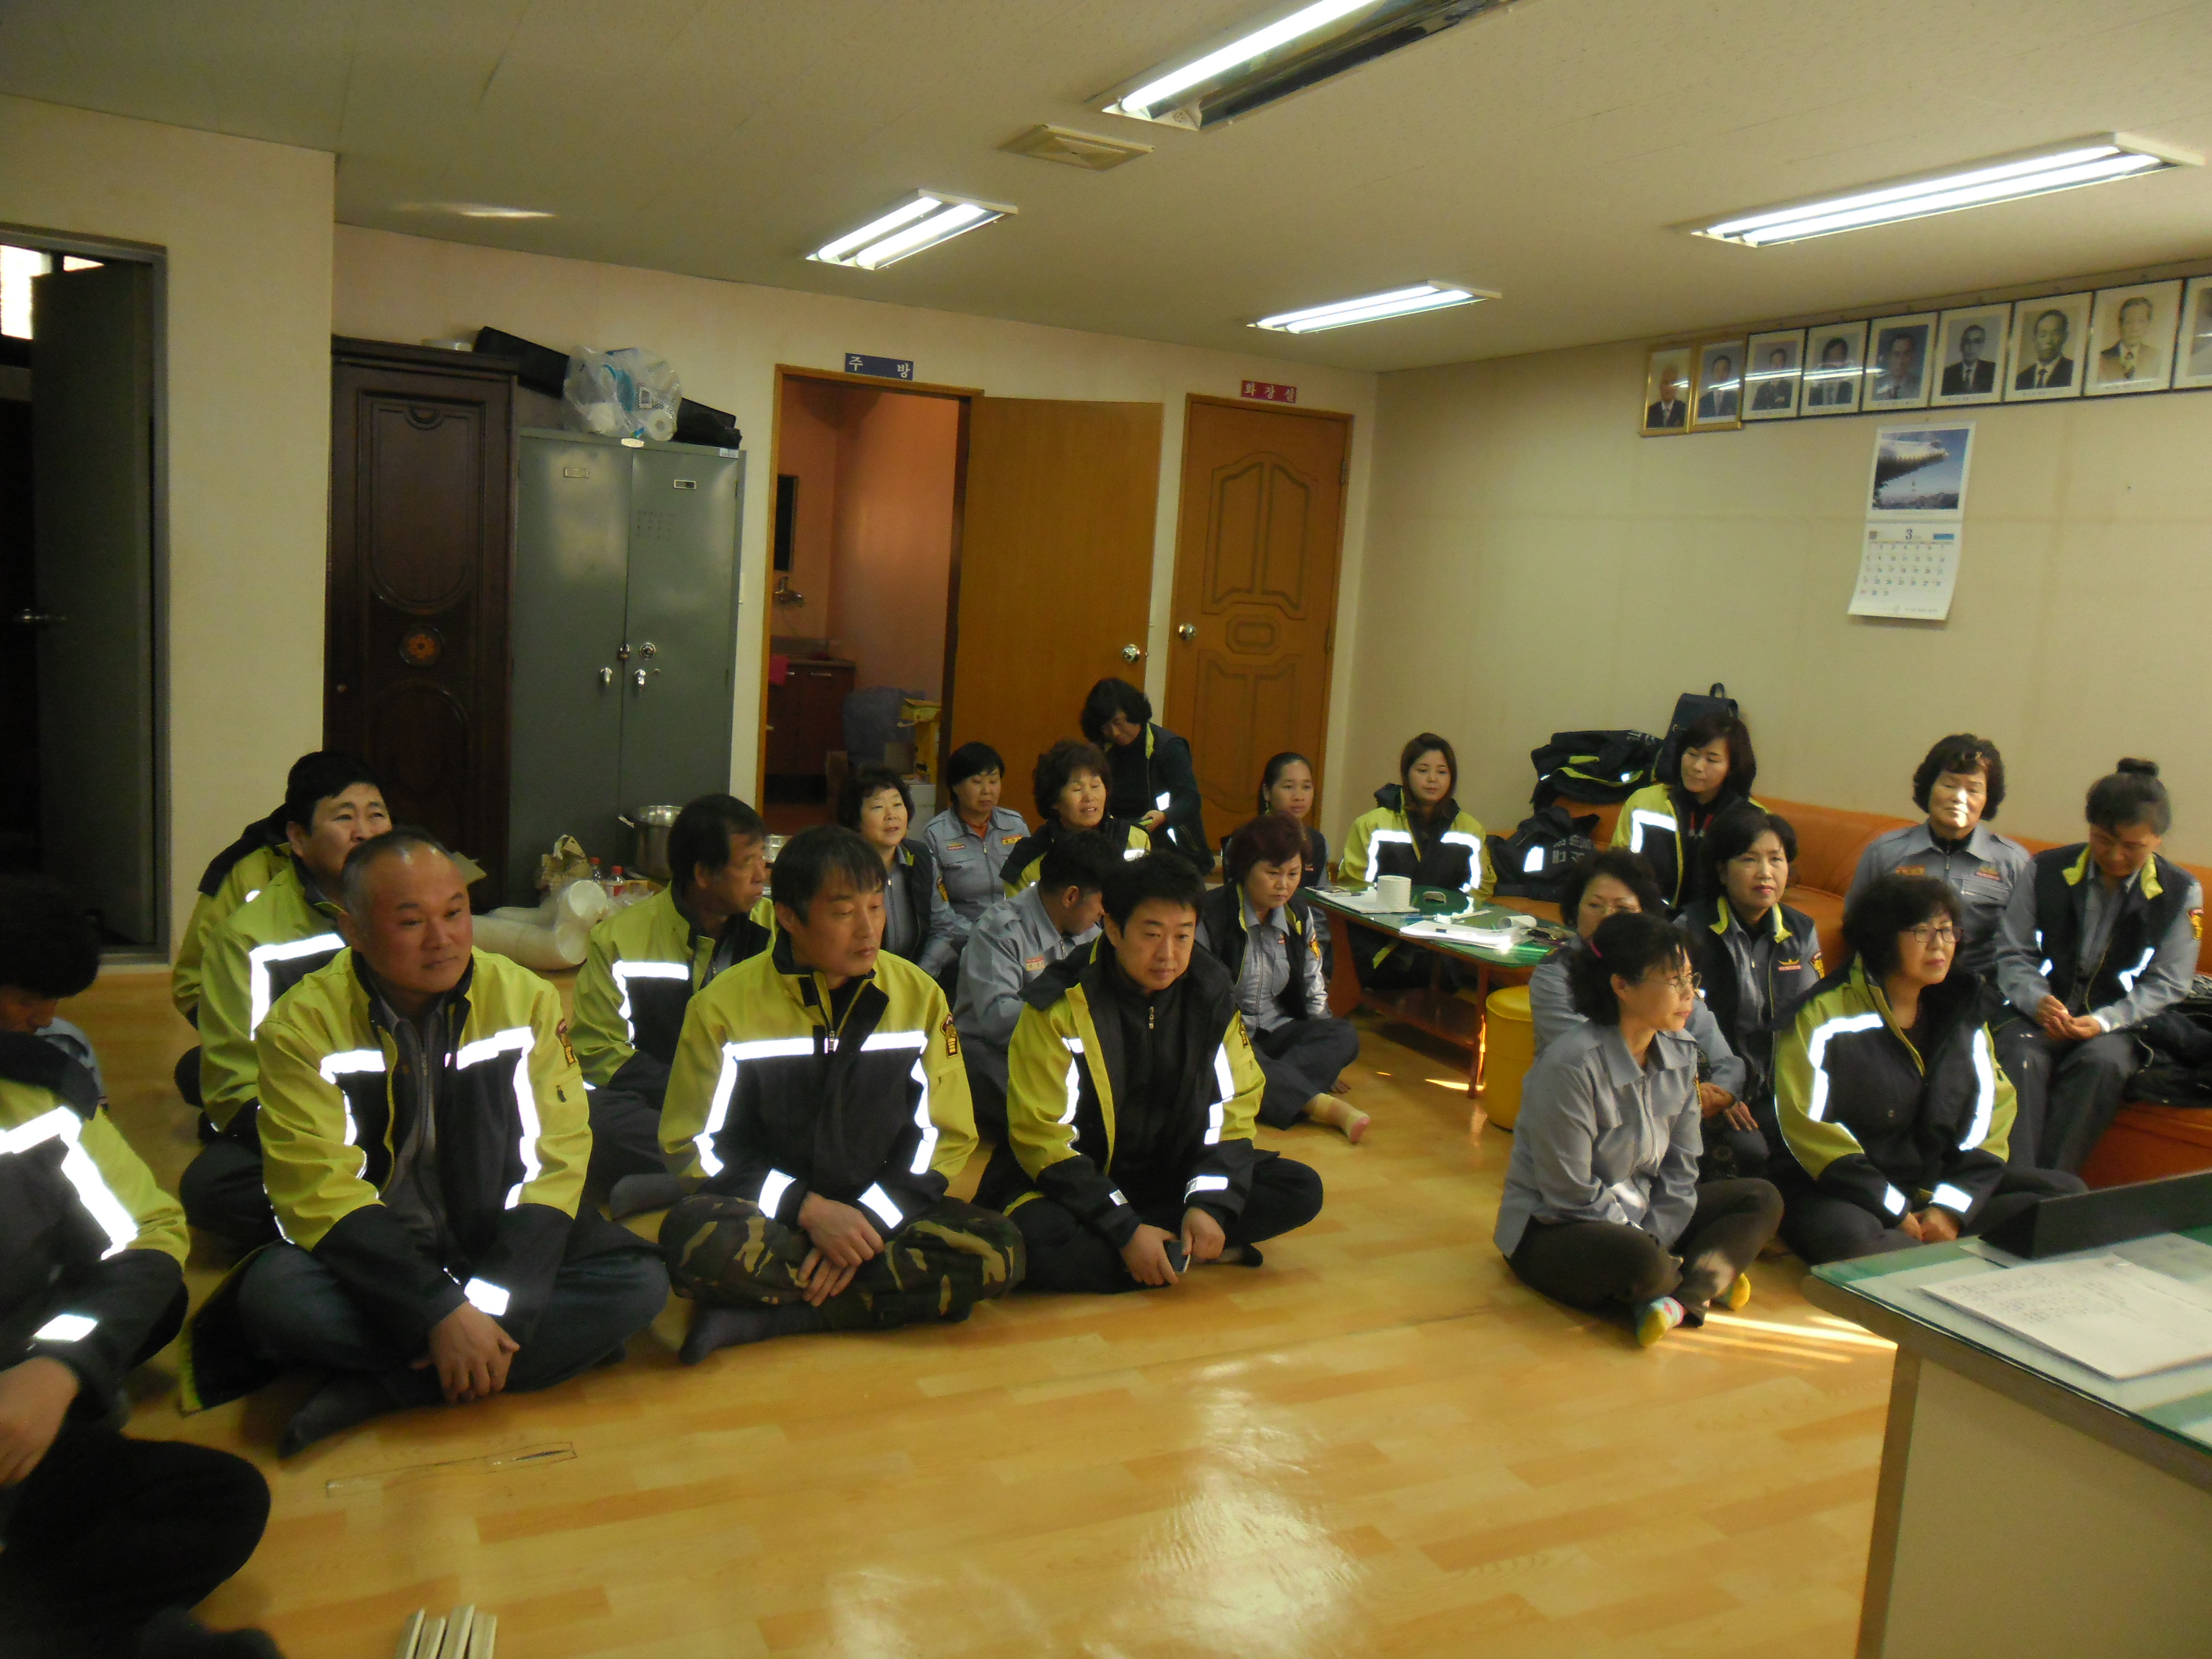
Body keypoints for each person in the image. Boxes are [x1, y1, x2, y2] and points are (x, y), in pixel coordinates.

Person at [185, 831, 669, 1454]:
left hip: (491, 1231)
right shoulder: (301, 1027)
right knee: (278, 1298)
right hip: (382, 1250)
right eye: (411, 922)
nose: (442, 938)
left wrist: (487, 1310)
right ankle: (507, 1354)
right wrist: (436, 1309)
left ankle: (389, 1389)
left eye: (455, 913)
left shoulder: (523, 998)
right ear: (354, 929)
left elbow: (557, 1156)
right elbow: (320, 1192)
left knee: (639, 1280)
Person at [0, 875, 279, 1659]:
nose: (44, 1018)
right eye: (25, 998)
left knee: (223, 1500)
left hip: (18, 1395)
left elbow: (148, 1234)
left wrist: (58, 1367)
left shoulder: (38, 1093)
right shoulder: (252, 912)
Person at [655, 826, 1020, 1362]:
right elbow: (695, 1145)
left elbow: (944, 1135)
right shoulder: (723, 1007)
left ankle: (778, 1314)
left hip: (881, 1210)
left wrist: (868, 1218)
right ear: (788, 916)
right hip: (776, 1215)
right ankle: (885, 1296)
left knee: (998, 1248)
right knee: (693, 1240)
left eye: (876, 906)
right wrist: (805, 1208)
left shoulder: (917, 996)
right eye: (845, 912)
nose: (868, 930)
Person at [982, 853, 1323, 1294]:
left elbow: (1234, 1108)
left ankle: (1153, 1252)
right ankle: (1173, 1252)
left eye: (1183, 936)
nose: (1168, 955)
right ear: (1112, 928)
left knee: (1299, 1187)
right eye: (1151, 935)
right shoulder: (1060, 1004)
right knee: (1032, 1238)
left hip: (1171, 1173)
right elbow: (1042, 1136)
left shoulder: (1210, 991)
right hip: (1080, 1181)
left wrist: (1210, 1204)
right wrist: (1123, 1227)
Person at [1495, 911, 1783, 1347]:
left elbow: (1683, 1166)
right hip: (1556, 1228)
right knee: (1642, 1262)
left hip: (1643, 1219)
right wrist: (1649, 1243)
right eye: (1674, 980)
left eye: (1691, 978)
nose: (1689, 994)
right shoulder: (1571, 1066)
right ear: (1622, 986)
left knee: (1761, 1198)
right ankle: (1698, 1280)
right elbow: (1570, 1191)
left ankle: (1674, 1298)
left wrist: (1659, 1233)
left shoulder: (1681, 1052)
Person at [1775, 875, 2083, 1264]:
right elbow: (1807, 1126)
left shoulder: (1962, 1012)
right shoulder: (1822, 1016)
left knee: (2065, 1195)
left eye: (1947, 930)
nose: (1940, 944)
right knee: (1852, 1237)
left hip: (1934, 1187)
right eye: (1923, 931)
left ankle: (1927, 1253)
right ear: (1883, 939)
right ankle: (1946, 1259)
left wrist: (1951, 1209)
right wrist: (1894, 1209)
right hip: (1848, 1191)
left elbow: (1991, 1114)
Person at [180, 753, 392, 1250]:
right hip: (310, 1117)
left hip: (411, 1104)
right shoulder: (249, 937)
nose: (364, 832)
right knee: (211, 1188)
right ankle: (375, 1207)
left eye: (377, 814)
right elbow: (236, 1086)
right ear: (298, 838)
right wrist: (328, 1137)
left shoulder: (417, 905)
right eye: (344, 817)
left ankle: (354, 1210)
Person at [1994, 760, 2203, 1172]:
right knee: (2020, 1052)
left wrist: (2105, 1022)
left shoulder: (2181, 893)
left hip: (2121, 1026)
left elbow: (2169, 982)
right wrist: (2036, 1000)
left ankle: (2048, 1190)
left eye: (2132, 846)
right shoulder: (2045, 870)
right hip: (2039, 1014)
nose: (2115, 855)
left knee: (2102, 1063)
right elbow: (2013, 951)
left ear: (2157, 840)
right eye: (2103, 840)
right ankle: (2013, 1184)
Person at [571, 794, 772, 1213]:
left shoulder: (777, 929)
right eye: (747, 863)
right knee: (589, 1115)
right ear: (703, 874)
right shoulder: (620, 938)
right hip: (663, 1105)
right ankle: (746, 1173)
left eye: (763, 859)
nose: (762, 875)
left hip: (755, 1101)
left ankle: (686, 1179)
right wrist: (690, 1095)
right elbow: (598, 1052)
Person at [1530, 850, 1755, 1173]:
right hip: (1601, 1109)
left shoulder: (1667, 969)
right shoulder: (1555, 974)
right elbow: (1592, 1064)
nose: (1607, 917)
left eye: (1623, 909)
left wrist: (1724, 1092)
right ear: (1575, 910)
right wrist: (1687, 1095)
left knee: (1751, 1150)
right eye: (1595, 905)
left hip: (1679, 1100)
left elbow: (1719, 1050)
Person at [1198, 813, 1368, 1141]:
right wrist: (1316, 1071)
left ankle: (1263, 1090)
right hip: (1229, 1035)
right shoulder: (1211, 914)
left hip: (1278, 1031)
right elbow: (1207, 1002)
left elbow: (1313, 982)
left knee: (1344, 1036)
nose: (1284, 885)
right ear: (1246, 868)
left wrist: (1322, 1051)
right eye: (1273, 873)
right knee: (1225, 1057)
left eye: (1293, 874)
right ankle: (1321, 1105)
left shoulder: (1298, 914)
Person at [1681, 806, 1826, 1171]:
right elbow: (1677, 1024)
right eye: (1749, 859)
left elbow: (1812, 1020)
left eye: (1776, 859)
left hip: (1779, 1089)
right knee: (1753, 1151)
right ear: (1722, 870)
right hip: (1713, 1085)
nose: (1765, 872)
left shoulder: (1802, 933)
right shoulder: (1690, 930)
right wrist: (1721, 1090)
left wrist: (1804, 1093)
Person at [953, 830, 1116, 1143]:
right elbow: (998, 1021)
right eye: (1102, 903)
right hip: (996, 1051)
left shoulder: (1091, 933)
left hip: (1058, 1053)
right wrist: (1069, 1017)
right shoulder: (999, 929)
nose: (1104, 913)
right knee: (1028, 1099)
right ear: (1071, 896)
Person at [1846, 734, 2031, 979]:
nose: (1959, 798)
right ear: (1929, 788)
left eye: (1973, 790)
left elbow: (2024, 947)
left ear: (1988, 799)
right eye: (1950, 785)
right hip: (1897, 983)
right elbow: (1856, 927)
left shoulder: (2012, 862)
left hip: (1978, 987)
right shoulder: (1886, 852)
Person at [1338, 734, 1494, 986]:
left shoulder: (1470, 829)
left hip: (1444, 937)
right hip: (1382, 935)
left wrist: (1445, 915)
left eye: (1442, 772)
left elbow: (1481, 887)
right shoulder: (1372, 824)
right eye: (1423, 770)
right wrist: (1400, 915)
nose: (1432, 779)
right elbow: (1354, 884)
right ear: (1406, 774)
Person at [1609, 710, 1758, 909]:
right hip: (1648, 918)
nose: (1697, 766)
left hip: (1716, 923)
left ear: (1732, 767)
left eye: (1712, 760)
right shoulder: (1644, 803)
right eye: (1692, 754)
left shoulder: (1753, 819)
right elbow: (1617, 868)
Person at [837, 765, 961, 980]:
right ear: (855, 818)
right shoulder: (840, 869)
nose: (891, 816)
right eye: (878, 807)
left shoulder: (922, 858)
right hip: (856, 980)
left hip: (917, 978)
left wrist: (918, 977)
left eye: (897, 804)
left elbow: (944, 927)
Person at [1080, 678, 1212, 873]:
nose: (1115, 733)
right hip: (1119, 838)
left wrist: (1164, 817)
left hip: (1167, 841)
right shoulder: (1100, 751)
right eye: (1106, 727)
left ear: (1133, 713)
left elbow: (1190, 799)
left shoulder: (1168, 747)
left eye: (1118, 722)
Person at [1001, 739, 1150, 895]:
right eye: (1077, 789)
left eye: (1095, 786)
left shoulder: (1135, 838)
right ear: (1054, 800)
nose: (1089, 797)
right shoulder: (1026, 862)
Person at [922, 742, 1030, 932]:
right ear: (956, 786)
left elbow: (1034, 886)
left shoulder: (1015, 825)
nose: (987, 790)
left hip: (1016, 932)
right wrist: (979, 935)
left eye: (994, 781)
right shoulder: (936, 834)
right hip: (961, 936)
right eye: (977, 782)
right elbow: (939, 912)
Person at [2098, 294, 2163, 383]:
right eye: (2129, 322)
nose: (2135, 328)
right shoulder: (2102, 359)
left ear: (2149, 324)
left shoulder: (2156, 357)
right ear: (2121, 324)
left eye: (2141, 321)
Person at [2015, 307, 2075, 390]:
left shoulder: (2074, 371)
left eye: (2055, 334)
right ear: (2034, 339)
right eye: (2043, 335)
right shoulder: (2021, 378)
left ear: (2065, 337)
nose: (2048, 341)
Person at [1940, 323, 1996, 396]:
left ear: (1983, 345)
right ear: (1961, 345)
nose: (1971, 347)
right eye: (1967, 341)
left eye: (1977, 342)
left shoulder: (1992, 370)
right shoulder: (1947, 374)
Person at [1869, 329, 1922, 401]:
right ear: (1889, 357)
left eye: (1906, 354)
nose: (1901, 361)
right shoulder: (1873, 387)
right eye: (1896, 354)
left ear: (1913, 356)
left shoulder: (1920, 386)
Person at [1804, 335, 1855, 406]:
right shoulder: (1813, 388)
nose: (1833, 364)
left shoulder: (1849, 388)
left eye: (1839, 355)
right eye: (1830, 359)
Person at [1750, 345, 1796, 412]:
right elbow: (1755, 411)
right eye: (1774, 362)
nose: (1776, 366)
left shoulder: (1790, 388)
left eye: (1780, 362)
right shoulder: (1762, 389)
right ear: (1770, 365)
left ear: (1784, 365)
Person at [1695, 354, 1738, 420]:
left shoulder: (1735, 398)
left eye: (1724, 371)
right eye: (1717, 371)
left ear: (1729, 373)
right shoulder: (1703, 401)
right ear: (1713, 373)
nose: (1721, 374)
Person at [1645, 364, 1687, 429]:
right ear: (1660, 386)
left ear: (1677, 387)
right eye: (1665, 383)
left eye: (1672, 383)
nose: (1668, 387)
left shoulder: (1684, 409)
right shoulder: (1650, 411)